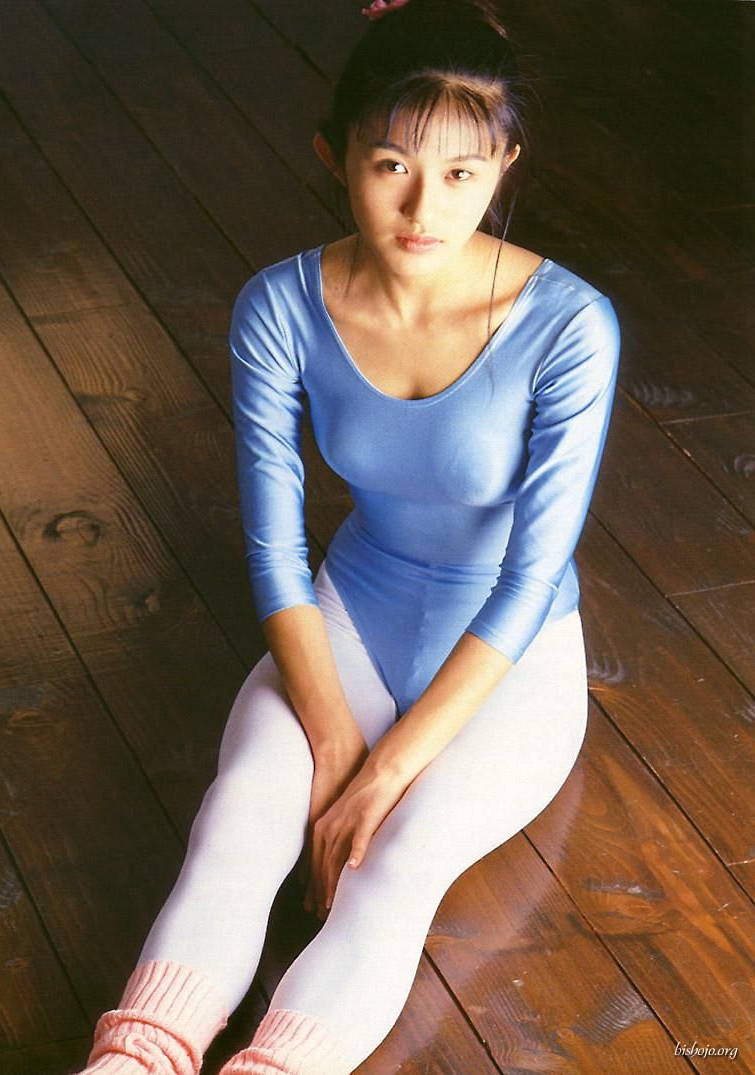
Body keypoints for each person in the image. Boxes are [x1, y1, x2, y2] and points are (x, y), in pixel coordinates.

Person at [73, 0, 621, 1072]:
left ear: (504, 166)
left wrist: (385, 772)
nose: (425, 207)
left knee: (391, 865)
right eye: (390, 166)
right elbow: (274, 547)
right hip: (352, 617)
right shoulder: (279, 306)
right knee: (238, 825)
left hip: (509, 662)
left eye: (461, 174)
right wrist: (331, 737)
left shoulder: (569, 324)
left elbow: (529, 575)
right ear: (335, 156)